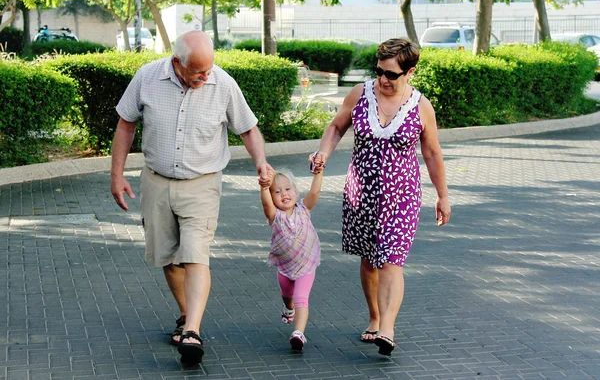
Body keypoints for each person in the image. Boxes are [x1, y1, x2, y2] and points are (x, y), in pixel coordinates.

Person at [110, 30, 272, 364]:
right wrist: (117, 175)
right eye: (198, 72)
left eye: (208, 70)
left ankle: (193, 331)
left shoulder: (223, 84)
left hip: (202, 182)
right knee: (168, 258)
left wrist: (261, 163)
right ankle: (186, 315)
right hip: (156, 181)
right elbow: (126, 124)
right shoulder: (148, 77)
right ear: (176, 63)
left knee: (196, 253)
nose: (205, 77)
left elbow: (248, 129)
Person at [310, 38, 451, 356]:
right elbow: (336, 127)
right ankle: (374, 317)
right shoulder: (360, 94)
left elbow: (432, 153)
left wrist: (443, 196)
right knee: (369, 260)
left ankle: (387, 327)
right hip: (361, 193)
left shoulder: (420, 106)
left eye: (392, 74)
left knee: (390, 260)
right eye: (379, 71)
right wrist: (323, 152)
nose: (383, 79)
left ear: (410, 72)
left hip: (401, 197)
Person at [259, 163, 323, 351]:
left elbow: (315, 193)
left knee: (301, 297)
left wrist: (318, 173)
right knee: (287, 295)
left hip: (306, 265)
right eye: (277, 192)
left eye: (288, 189)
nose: (284, 194)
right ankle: (288, 308)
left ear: (296, 192)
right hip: (285, 267)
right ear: (272, 198)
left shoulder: (304, 209)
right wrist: (263, 187)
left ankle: (298, 333)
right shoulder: (275, 216)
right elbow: (265, 203)